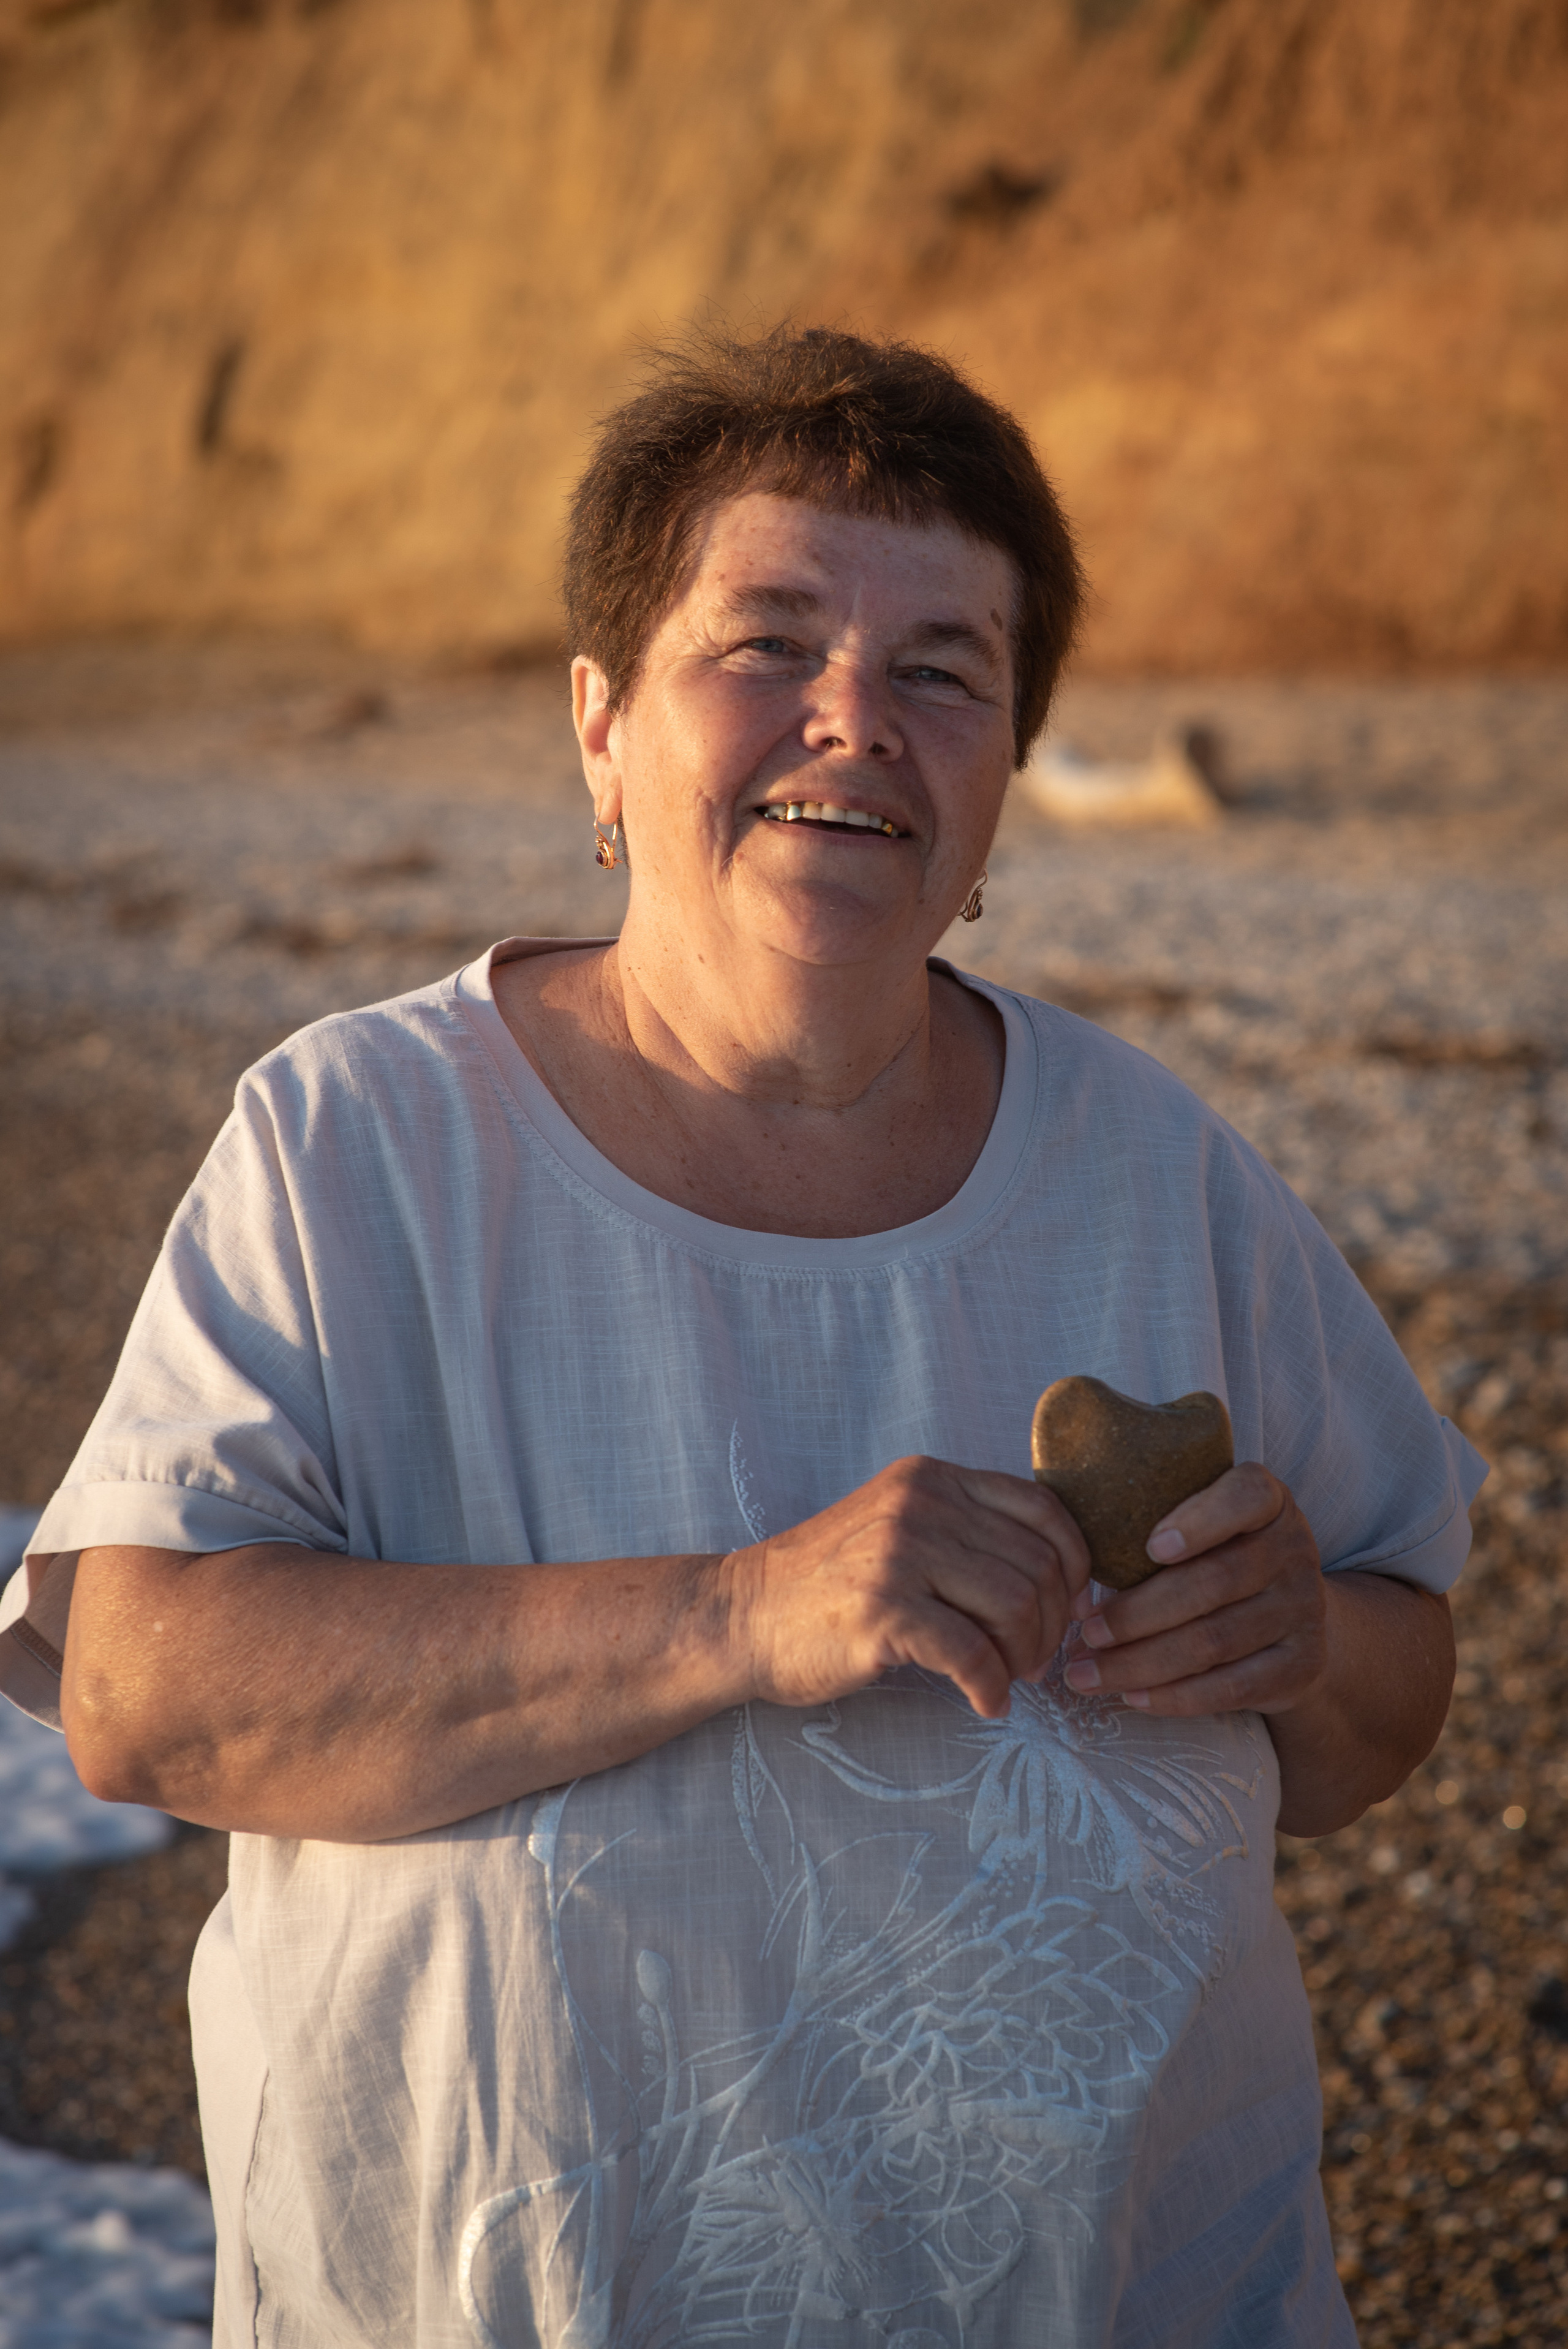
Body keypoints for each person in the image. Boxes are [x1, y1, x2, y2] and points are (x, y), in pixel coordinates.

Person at [1, 327, 1483, 2348]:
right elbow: (141, 1696)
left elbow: (1389, 1691)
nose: (855, 721)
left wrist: (1305, 1638)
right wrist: (740, 1610)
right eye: (765, 643)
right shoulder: (361, 1146)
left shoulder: (1160, 1170)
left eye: (943, 671)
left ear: (1003, 784)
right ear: (601, 730)